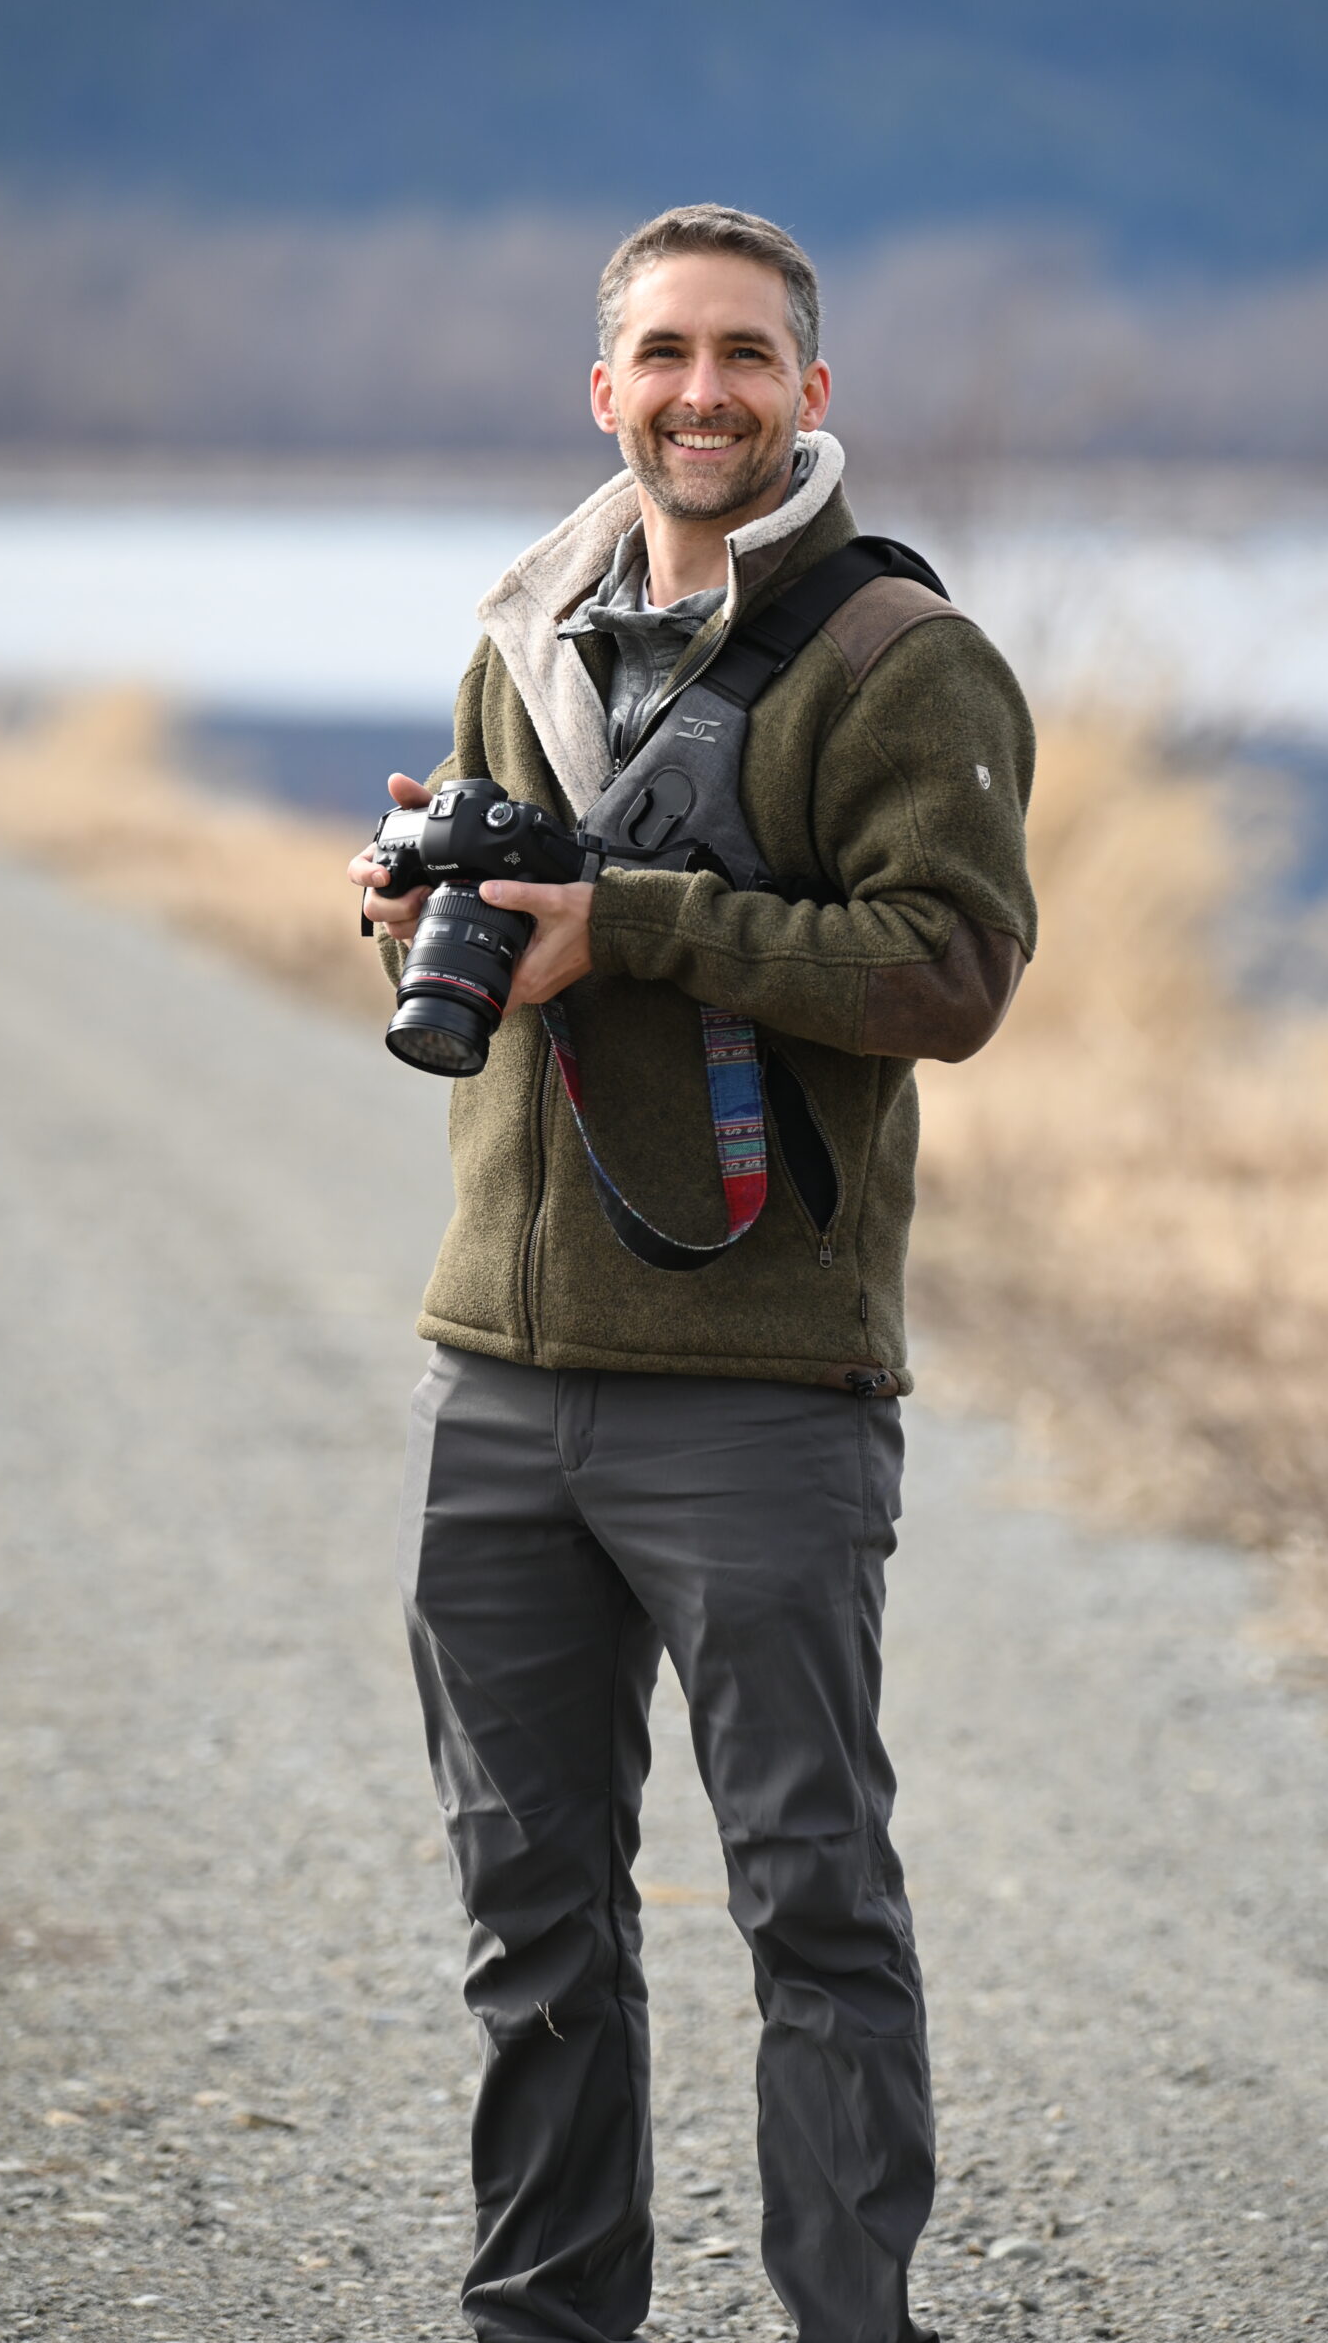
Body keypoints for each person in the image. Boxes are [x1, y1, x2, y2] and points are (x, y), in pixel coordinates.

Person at [350, 204, 1038, 2343]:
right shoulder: (521, 633)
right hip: (500, 1366)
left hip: (757, 1379)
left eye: (746, 355)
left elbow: (951, 967)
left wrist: (627, 920)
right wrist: (433, 901)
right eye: (663, 355)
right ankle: (544, 2318)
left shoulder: (897, 659)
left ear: (809, 391)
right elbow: (531, 920)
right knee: (529, 1911)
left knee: (808, 1897)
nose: (702, 392)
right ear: (606, 387)